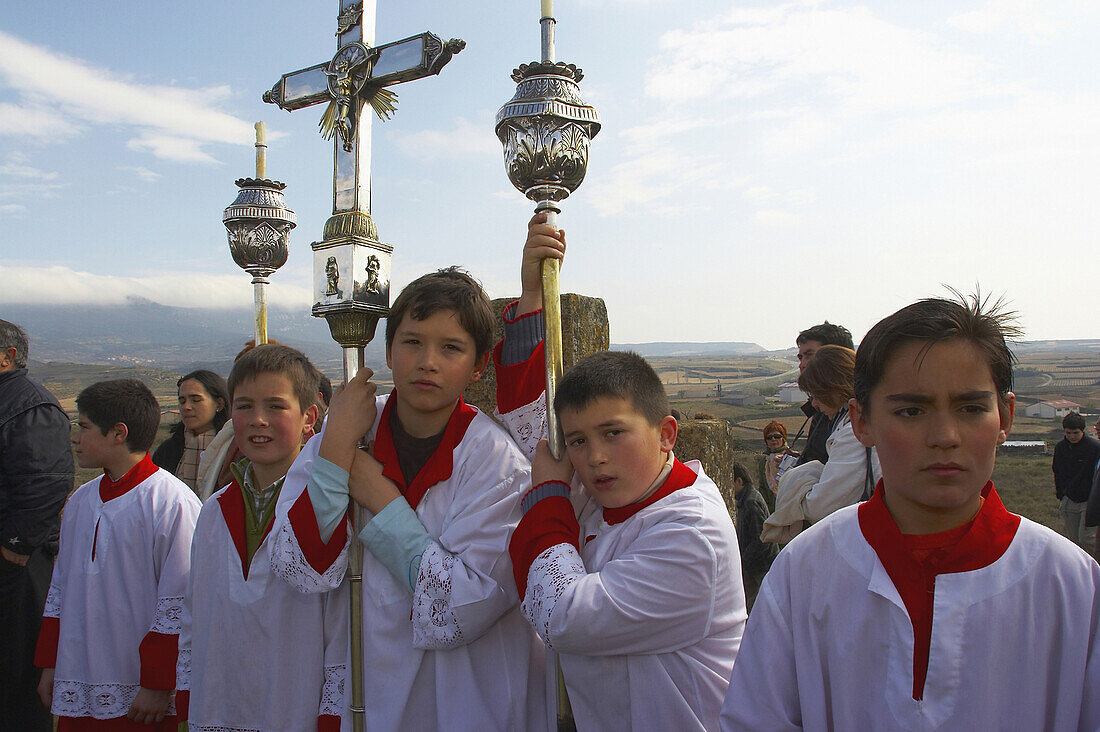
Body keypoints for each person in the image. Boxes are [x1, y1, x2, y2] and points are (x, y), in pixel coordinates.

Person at [720, 295, 1100, 730]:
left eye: (972, 408)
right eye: (911, 410)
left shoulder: (1071, 587)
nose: (945, 436)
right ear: (862, 422)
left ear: (1006, 416)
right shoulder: (806, 572)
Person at [269, 268, 547, 730]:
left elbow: (464, 605)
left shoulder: (496, 463)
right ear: (389, 350)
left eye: (451, 348)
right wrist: (337, 451)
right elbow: (299, 564)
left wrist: (383, 503)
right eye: (413, 342)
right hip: (366, 682)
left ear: (479, 366)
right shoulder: (345, 436)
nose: (428, 362)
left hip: (467, 695)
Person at [501, 213, 745, 731]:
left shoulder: (690, 532)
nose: (594, 458)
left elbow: (565, 616)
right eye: (579, 441)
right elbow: (530, 424)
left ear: (666, 434)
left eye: (614, 433)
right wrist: (530, 297)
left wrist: (548, 497)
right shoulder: (609, 492)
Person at [176, 345, 347, 731]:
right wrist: (189, 692)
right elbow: (195, 609)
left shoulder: (325, 508)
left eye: (275, 406)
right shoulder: (214, 510)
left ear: (309, 419)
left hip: (295, 698)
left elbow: (339, 622)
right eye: (243, 406)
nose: (257, 420)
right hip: (219, 698)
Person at [34, 379, 201, 729]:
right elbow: (60, 590)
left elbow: (180, 601)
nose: (75, 437)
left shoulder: (172, 502)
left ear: (118, 433)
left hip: (138, 688)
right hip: (79, 674)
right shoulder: (81, 500)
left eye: (83, 427)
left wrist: (157, 683)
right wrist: (52, 664)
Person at [0, 320, 73, 732]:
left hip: (18, 566)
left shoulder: (31, 405)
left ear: (8, 357)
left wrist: (15, 546)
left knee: (17, 677)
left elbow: (45, 483)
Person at [762, 345, 880, 543]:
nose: (814, 404)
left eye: (816, 395)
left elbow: (820, 507)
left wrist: (798, 477)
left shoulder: (853, 433)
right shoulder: (850, 423)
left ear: (833, 388)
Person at [152, 370, 229, 494]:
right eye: (182, 401)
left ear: (219, 404)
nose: (186, 407)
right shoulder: (167, 451)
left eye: (196, 400)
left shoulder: (232, 450)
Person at [790, 322, 854, 468]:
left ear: (836, 357)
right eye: (800, 358)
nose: (802, 365)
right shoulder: (828, 409)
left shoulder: (856, 420)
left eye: (810, 355)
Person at [732, 462, 777, 612]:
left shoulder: (751, 502)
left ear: (739, 481)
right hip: (756, 565)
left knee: (756, 606)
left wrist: (744, 560)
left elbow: (760, 539)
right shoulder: (747, 499)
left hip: (761, 566)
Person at [1051, 411, 1099, 550]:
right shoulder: (1061, 447)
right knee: (1073, 541)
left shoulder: (1094, 448)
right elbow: (1057, 471)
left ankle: (1091, 568)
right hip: (1069, 499)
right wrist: (1062, 494)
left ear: (1082, 431)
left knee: (1087, 539)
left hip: (1089, 500)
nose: (1072, 436)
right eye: (1068, 433)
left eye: (1075, 433)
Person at [760, 420, 789, 500]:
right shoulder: (764, 462)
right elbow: (762, 487)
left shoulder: (790, 458)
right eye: (769, 437)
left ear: (783, 438)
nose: (773, 439)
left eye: (777, 436)